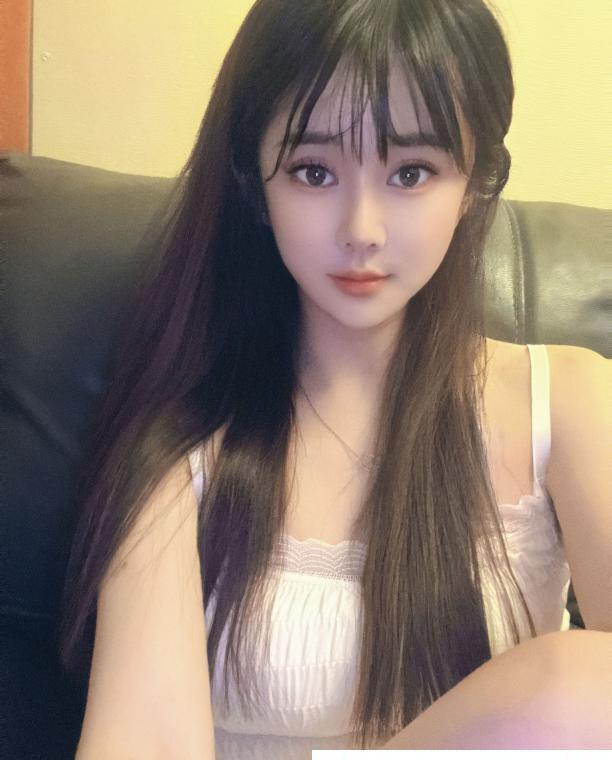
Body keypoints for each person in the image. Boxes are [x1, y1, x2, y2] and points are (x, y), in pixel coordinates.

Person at [59, 0, 611, 756]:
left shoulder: (569, 403)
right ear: (254, 183)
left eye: (411, 172)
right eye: (313, 172)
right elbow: (143, 742)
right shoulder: (184, 450)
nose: (362, 229)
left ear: (476, 180)